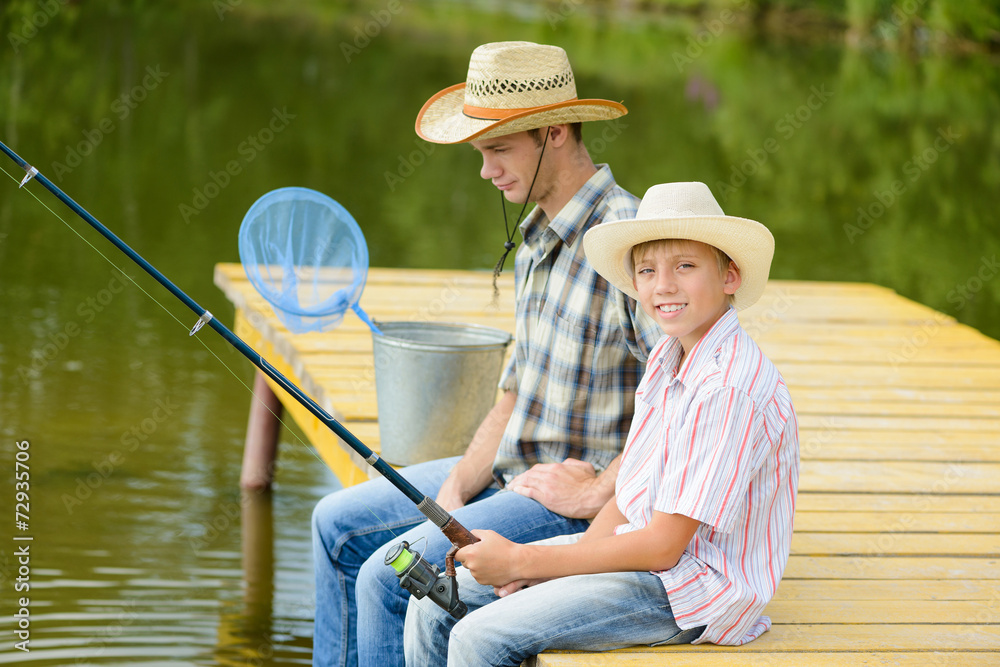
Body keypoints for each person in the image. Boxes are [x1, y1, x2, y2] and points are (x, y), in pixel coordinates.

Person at [311, 41, 662, 667]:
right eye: (481, 152)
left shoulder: (630, 243)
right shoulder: (533, 243)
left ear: (554, 131)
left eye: (498, 149)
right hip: (507, 474)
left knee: (387, 580)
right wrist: (451, 491)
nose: (485, 171)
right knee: (334, 524)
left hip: (570, 508)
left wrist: (597, 492)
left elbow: (678, 400)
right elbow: (512, 393)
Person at [404, 181, 801, 666]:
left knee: (478, 638)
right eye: (647, 271)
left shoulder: (727, 386)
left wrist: (524, 562)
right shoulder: (669, 357)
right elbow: (629, 493)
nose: (665, 286)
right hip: (644, 559)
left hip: (693, 590)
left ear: (730, 276)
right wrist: (558, 572)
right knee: (432, 602)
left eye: (686, 266)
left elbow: (662, 548)